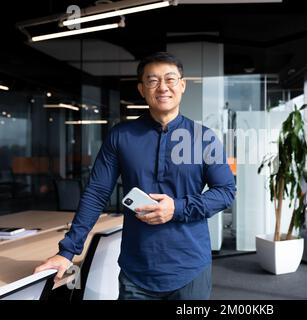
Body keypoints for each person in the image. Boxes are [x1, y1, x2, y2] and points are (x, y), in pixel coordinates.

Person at [34, 52, 236, 300]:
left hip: (190, 269)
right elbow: (97, 193)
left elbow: (226, 192)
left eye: (170, 79)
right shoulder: (121, 136)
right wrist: (67, 252)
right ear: (142, 89)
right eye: (152, 80)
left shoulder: (204, 138)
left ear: (182, 85)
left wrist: (177, 208)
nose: (162, 87)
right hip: (137, 272)